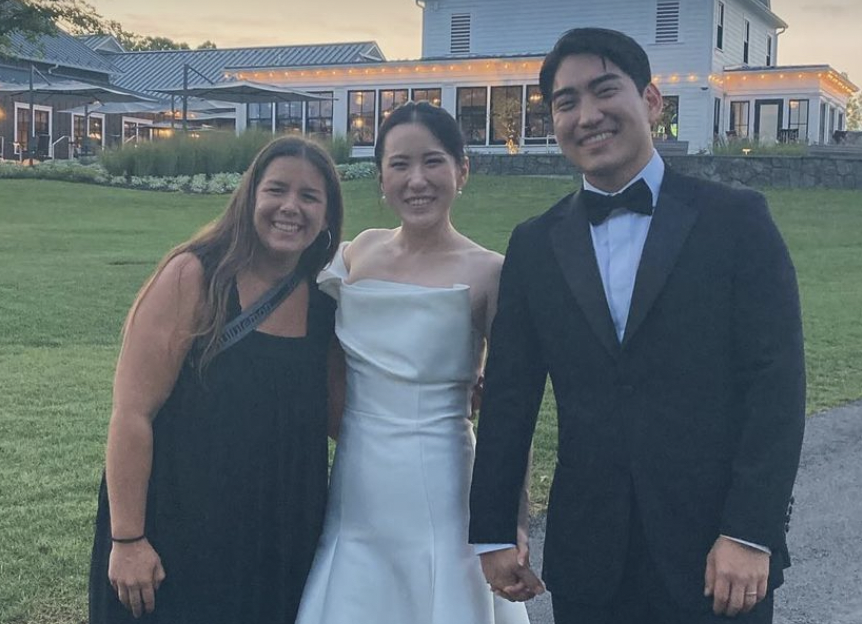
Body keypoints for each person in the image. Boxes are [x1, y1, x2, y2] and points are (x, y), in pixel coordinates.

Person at [469, 27, 806, 624]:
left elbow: (776, 384)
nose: (587, 115)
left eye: (605, 91)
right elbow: (510, 395)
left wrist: (750, 532)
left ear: (651, 101)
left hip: (718, 556)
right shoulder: (535, 244)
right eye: (567, 102)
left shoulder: (736, 221)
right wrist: (495, 531)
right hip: (589, 559)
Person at [88, 136, 344, 624]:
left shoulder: (324, 305)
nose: (290, 207)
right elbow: (132, 414)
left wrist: (450, 391)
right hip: (174, 537)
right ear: (250, 197)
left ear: (327, 216)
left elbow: (343, 420)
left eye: (309, 196)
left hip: (276, 545)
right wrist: (128, 539)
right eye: (277, 190)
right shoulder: (194, 276)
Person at [295, 101, 530, 624]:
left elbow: (511, 406)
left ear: (462, 170)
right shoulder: (358, 253)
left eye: (433, 161)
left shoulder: (490, 272)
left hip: (443, 479)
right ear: (381, 178)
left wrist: (508, 523)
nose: (416, 180)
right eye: (399, 165)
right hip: (358, 478)